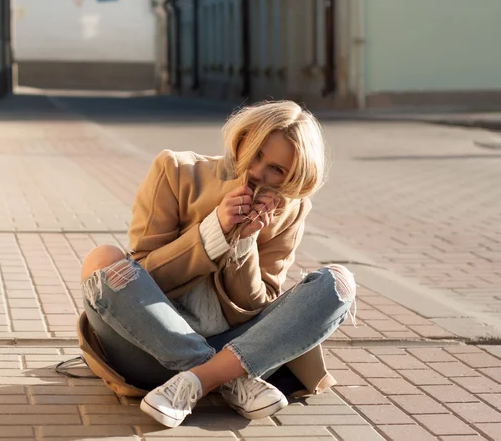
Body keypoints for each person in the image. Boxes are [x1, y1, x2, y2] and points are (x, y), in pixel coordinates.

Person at [79, 100, 357, 428]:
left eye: (277, 170)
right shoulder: (177, 171)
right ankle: (222, 379)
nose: (258, 173)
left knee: (337, 281)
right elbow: (147, 277)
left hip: (236, 347)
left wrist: (244, 243)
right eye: (256, 154)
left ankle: (198, 380)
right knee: (104, 258)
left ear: (293, 176)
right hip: (149, 347)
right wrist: (215, 231)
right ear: (242, 140)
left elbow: (255, 308)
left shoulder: (291, 210)